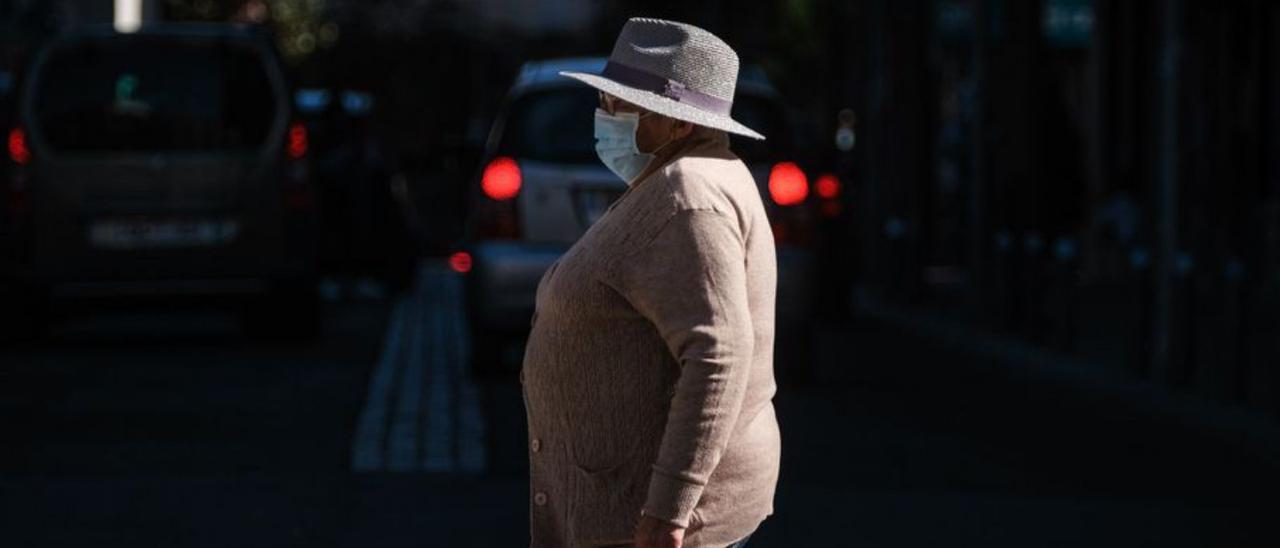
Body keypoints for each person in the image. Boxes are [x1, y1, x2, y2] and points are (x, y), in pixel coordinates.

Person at [520, 17, 781, 548]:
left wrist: (668, 512)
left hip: (653, 524)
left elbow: (717, 357)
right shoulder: (681, 176)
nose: (602, 117)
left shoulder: (688, 195)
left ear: (678, 123)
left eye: (619, 106)